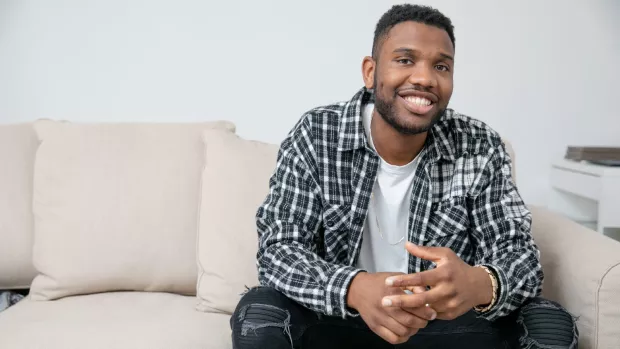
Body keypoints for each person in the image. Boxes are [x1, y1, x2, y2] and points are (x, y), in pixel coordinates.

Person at [231, 4, 578, 349]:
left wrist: (477, 283)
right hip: (342, 321)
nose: (425, 79)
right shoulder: (317, 134)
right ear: (370, 72)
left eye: (441, 66)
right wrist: (354, 287)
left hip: (440, 328)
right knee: (261, 313)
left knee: (548, 323)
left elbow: (519, 255)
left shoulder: (479, 145)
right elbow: (279, 249)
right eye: (405, 60)